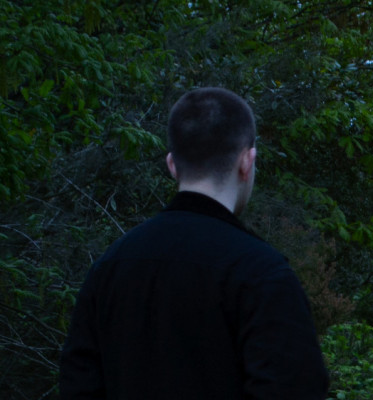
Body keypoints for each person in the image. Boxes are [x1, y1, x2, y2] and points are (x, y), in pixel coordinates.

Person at [60, 87, 329, 399]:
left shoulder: (109, 268)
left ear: (172, 164)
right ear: (247, 161)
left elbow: (77, 386)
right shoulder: (263, 275)